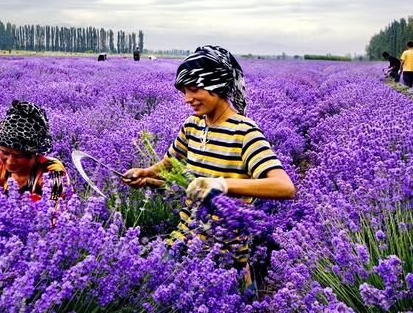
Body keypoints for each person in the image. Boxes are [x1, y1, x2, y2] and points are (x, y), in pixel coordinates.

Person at [122, 45, 296, 287]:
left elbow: (284, 187)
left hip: (225, 254)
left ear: (218, 85)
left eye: (194, 89)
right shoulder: (193, 126)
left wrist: (221, 184)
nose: (187, 98)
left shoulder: (245, 133)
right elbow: (170, 163)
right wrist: (147, 175)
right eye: (184, 91)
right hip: (185, 240)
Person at [0, 100, 70, 203]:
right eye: (4, 152)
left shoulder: (52, 171)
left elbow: (56, 210)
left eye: (18, 156)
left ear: (35, 153)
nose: (10, 162)